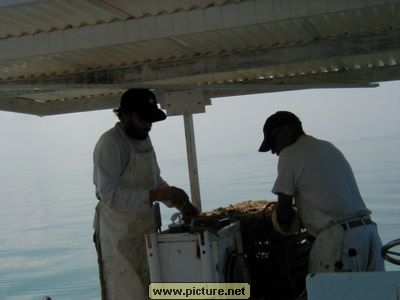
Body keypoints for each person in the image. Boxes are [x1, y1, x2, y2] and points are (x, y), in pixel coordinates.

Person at [92, 88, 198, 300]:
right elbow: (109, 196)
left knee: (150, 290)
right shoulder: (110, 143)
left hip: (145, 231)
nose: (148, 125)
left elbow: (154, 180)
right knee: (127, 292)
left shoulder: (143, 137)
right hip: (118, 236)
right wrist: (156, 194)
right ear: (124, 115)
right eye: (143, 119)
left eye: (151, 120)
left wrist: (180, 203)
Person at [259, 111, 385, 273]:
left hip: (340, 240)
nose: (273, 150)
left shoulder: (289, 154)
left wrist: (284, 222)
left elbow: (284, 211)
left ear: (286, 131)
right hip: (369, 234)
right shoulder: (328, 146)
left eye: (273, 142)